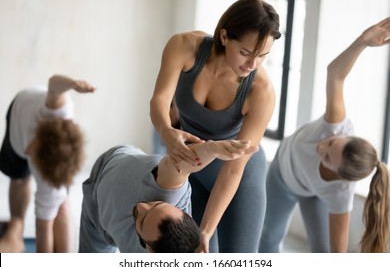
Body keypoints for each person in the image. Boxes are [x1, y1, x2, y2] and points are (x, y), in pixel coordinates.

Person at [149, 0, 281, 253]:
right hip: (192, 170)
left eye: (262, 56)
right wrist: (166, 131)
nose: (252, 65)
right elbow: (159, 100)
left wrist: (206, 230)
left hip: (238, 180)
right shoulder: (184, 46)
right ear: (223, 36)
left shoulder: (261, 91)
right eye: (245, 52)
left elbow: (233, 169)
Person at [259, 18, 390, 253]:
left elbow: (337, 257)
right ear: (342, 135)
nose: (321, 149)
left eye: (328, 158)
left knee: (323, 251)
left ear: (341, 177)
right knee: (269, 237)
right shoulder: (336, 124)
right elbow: (335, 74)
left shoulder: (339, 194)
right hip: (281, 175)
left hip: (313, 194)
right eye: (331, 143)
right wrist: (362, 42)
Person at [78, 139, 258, 253]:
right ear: (184, 213)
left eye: (142, 220)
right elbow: (181, 164)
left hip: (102, 223)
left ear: (151, 251)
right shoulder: (171, 193)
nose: (142, 206)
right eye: (155, 205)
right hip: (106, 169)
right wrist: (212, 149)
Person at [0, 74, 96, 252]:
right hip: (19, 110)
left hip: (50, 168)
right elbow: (53, 83)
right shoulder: (56, 110)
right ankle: (16, 229)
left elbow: (43, 228)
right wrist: (72, 84)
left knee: (60, 202)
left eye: (31, 152)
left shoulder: (49, 180)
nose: (27, 150)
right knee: (19, 179)